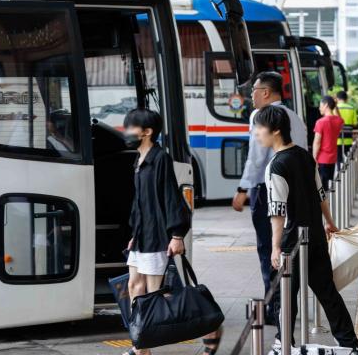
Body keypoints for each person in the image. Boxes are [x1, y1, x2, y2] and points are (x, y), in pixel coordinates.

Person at [253, 105, 358, 355]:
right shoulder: (304, 155)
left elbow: (278, 211)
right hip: (314, 234)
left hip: (293, 241)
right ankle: (349, 343)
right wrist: (329, 221)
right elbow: (320, 193)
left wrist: (275, 247)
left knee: (285, 295)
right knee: (326, 291)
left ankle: (284, 343)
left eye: (260, 128)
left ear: (276, 130)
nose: (257, 133)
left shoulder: (276, 165)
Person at [123, 109, 221, 355]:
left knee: (155, 295)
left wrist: (177, 235)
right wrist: (135, 231)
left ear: (147, 132)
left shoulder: (159, 159)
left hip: (157, 236)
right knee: (135, 287)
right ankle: (141, 346)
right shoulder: (139, 160)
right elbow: (140, 201)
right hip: (142, 235)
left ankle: (208, 329)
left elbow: (170, 198)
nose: (127, 132)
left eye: (131, 127)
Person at [232, 71, 307, 324]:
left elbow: (256, 157)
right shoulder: (295, 116)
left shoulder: (259, 116)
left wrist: (243, 189)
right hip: (297, 190)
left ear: (265, 92)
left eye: (253, 89)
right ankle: (287, 305)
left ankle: (275, 308)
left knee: (269, 249)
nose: (250, 94)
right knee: (289, 248)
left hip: (268, 190)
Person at [312, 95, 344, 191]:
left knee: (321, 187)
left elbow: (317, 142)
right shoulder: (338, 121)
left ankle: (325, 205)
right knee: (328, 184)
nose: (319, 108)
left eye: (320, 105)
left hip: (322, 159)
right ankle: (328, 203)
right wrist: (335, 107)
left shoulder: (320, 122)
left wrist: (314, 158)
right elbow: (341, 118)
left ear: (326, 105)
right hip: (332, 158)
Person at [336, 90, 358, 167]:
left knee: (338, 158)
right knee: (348, 156)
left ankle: (339, 171)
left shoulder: (335, 108)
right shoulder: (351, 108)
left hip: (337, 137)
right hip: (348, 137)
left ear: (337, 98)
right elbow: (355, 123)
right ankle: (348, 172)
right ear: (346, 99)